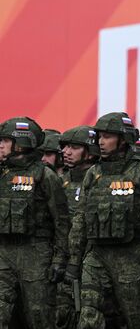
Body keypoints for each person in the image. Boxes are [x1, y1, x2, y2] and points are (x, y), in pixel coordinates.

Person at [66, 112, 140, 329]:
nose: (101, 142)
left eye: (108, 137)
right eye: (99, 136)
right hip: (96, 255)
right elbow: (81, 217)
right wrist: (74, 259)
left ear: (123, 140)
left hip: (132, 255)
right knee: (89, 315)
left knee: (137, 316)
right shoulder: (93, 173)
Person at [0, 117, 69, 328]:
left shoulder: (45, 176)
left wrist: (59, 260)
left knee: (39, 315)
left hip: (36, 254)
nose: (1, 145)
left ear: (22, 143)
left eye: (5, 140)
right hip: (3, 253)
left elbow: (61, 222)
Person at [56, 126, 100, 329]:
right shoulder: (59, 182)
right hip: (64, 263)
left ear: (90, 152)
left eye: (74, 147)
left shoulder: (102, 181)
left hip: (96, 259)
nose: (66, 152)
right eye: (65, 147)